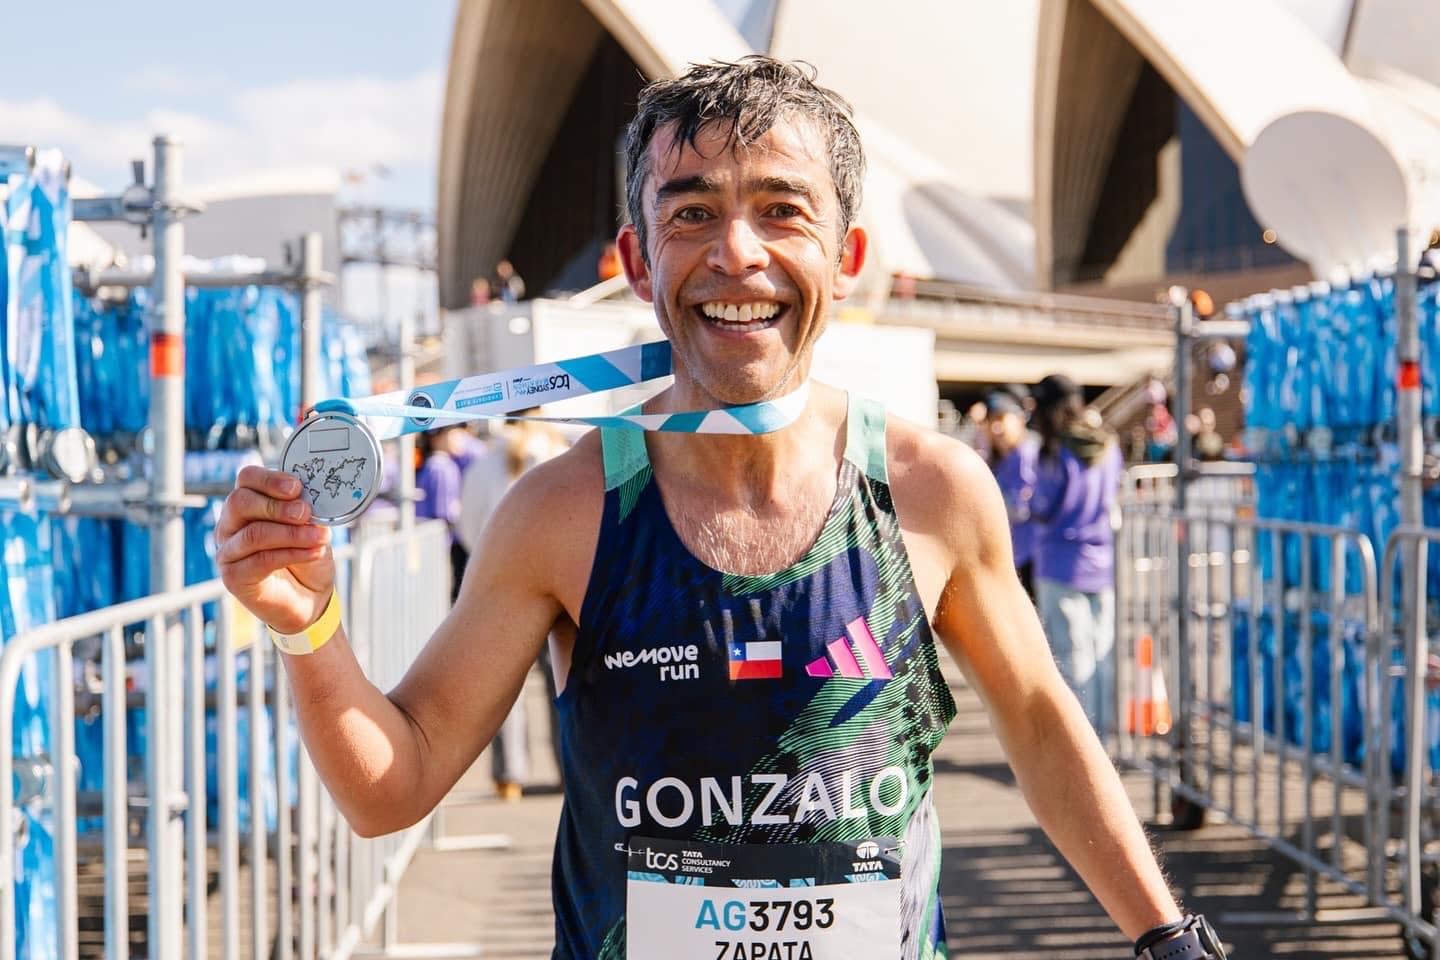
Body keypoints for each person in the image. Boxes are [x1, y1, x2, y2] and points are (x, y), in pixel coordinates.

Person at [216, 57, 1221, 960]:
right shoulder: (564, 510)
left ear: (848, 255)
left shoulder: (930, 489)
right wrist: (310, 627)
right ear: (639, 261)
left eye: (782, 210)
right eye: (691, 213)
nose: (737, 252)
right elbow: (393, 786)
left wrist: (1168, 940)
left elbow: (1042, 723)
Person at [458, 415, 569, 801]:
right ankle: (568, 769)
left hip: (500, 585)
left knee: (504, 691)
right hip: (562, 586)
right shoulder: (561, 454)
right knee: (564, 684)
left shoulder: (481, 465)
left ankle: (509, 776)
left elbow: (467, 528)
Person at [1028, 373, 1125, 738]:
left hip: (1061, 560)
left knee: (1072, 657)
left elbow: (1043, 504)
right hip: (1101, 559)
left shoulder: (1055, 451)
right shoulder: (1108, 445)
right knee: (1102, 656)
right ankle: (1102, 734)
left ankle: (1080, 742)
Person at [983, 388, 1038, 598]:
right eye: (990, 421)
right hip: (1011, 556)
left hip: (1030, 557)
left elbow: (1020, 508)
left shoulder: (1027, 453)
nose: (996, 428)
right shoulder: (1000, 458)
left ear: (1019, 419)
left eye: (1001, 418)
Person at [414, 423, 474, 601]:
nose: (461, 436)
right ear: (437, 436)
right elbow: (446, 513)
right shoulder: (441, 467)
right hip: (440, 545)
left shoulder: (435, 464)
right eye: (454, 431)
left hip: (430, 543)